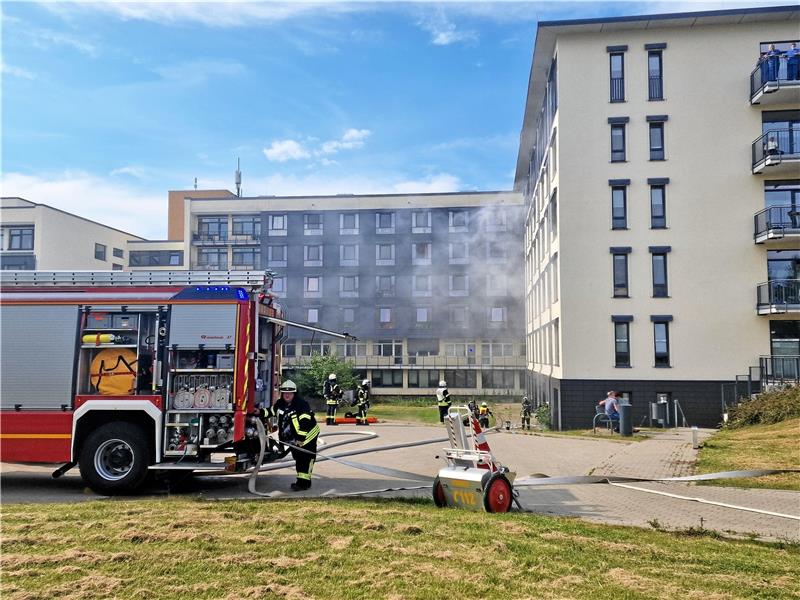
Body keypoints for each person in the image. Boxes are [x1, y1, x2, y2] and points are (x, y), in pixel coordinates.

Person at [270, 380, 319, 491]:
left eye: (290, 393)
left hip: (307, 435)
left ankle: (304, 483)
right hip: (294, 438)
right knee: (298, 457)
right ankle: (301, 481)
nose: (287, 395)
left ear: (294, 394)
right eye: (285, 393)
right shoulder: (280, 403)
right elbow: (271, 411)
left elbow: (305, 424)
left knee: (305, 458)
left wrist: (300, 439)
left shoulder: (301, 405)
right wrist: (258, 412)